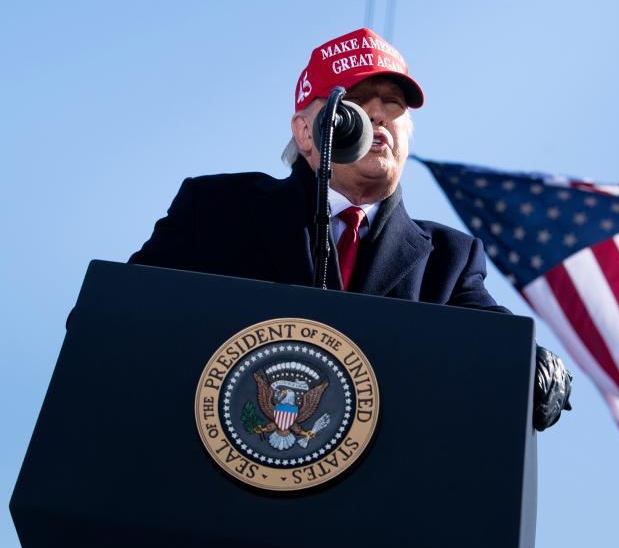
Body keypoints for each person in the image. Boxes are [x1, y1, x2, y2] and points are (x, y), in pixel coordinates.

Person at [130, 27, 571, 430]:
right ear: (305, 132)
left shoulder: (448, 260)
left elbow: (492, 338)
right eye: (357, 100)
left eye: (392, 103)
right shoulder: (219, 209)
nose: (378, 113)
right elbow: (124, 314)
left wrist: (531, 362)